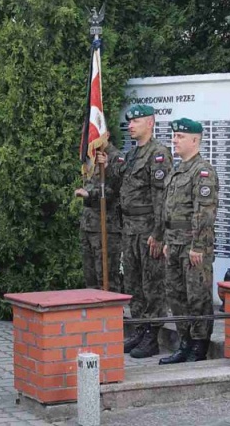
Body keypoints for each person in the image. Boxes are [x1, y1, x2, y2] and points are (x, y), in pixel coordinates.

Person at [97, 104, 172, 358]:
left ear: (150, 123)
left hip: (148, 229)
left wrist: (158, 234)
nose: (130, 126)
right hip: (129, 229)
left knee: (152, 283)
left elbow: (162, 198)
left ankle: (152, 335)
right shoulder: (132, 155)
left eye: (135, 121)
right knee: (134, 282)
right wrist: (106, 160)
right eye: (129, 122)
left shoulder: (158, 154)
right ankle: (140, 328)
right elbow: (118, 177)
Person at [159, 118, 218, 364]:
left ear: (195, 140)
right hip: (174, 243)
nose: (175, 140)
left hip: (193, 245)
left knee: (197, 296)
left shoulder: (202, 171)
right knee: (176, 295)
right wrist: (167, 240)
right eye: (174, 136)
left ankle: (199, 346)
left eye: (180, 137)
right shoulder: (177, 170)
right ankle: (184, 343)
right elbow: (170, 210)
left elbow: (204, 212)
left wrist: (198, 246)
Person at [75, 141, 123, 293]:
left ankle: (111, 309)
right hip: (88, 225)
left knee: (107, 279)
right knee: (91, 280)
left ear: (106, 135)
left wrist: (90, 194)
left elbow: (115, 190)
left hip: (105, 226)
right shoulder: (91, 156)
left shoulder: (116, 157)